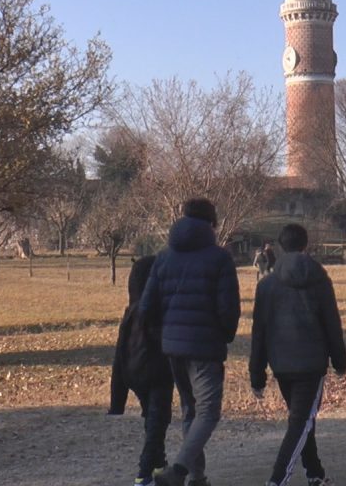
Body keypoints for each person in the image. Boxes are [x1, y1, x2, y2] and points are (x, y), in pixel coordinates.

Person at [141, 199, 241, 486]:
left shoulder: (164, 257)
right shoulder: (220, 258)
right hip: (205, 347)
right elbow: (228, 308)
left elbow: (147, 307)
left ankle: (198, 478)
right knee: (208, 412)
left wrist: (165, 333)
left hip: (172, 347)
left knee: (190, 410)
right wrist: (225, 334)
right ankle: (180, 471)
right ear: (212, 223)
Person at [250, 223, 346, 486]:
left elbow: (258, 332)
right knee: (301, 422)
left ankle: (314, 472)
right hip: (311, 362)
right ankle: (277, 479)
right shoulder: (319, 279)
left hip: (280, 362)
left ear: (280, 246)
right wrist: (340, 361)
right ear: (306, 245)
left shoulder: (267, 285)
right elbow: (332, 323)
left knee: (302, 420)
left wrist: (256, 375)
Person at [109, 255, 173, 486]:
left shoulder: (130, 312)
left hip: (134, 375)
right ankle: (144, 472)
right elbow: (161, 341)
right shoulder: (154, 312)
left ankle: (159, 465)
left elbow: (119, 356)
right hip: (157, 372)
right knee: (158, 421)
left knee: (153, 419)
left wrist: (117, 400)